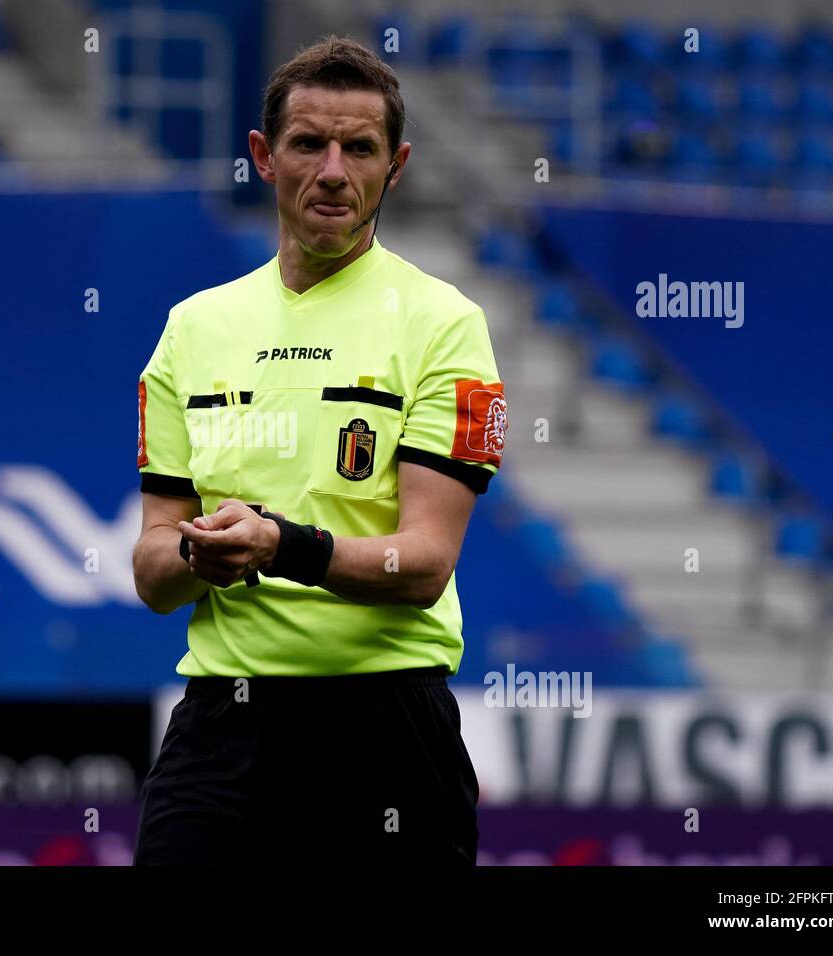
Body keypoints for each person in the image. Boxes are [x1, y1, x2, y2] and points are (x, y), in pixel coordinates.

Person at [131, 36, 506, 866]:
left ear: (395, 165)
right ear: (264, 156)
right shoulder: (192, 330)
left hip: (387, 731)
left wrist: (279, 545)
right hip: (223, 729)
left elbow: (426, 563)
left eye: (359, 148)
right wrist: (200, 555)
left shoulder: (444, 326)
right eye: (309, 143)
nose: (333, 171)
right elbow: (153, 572)